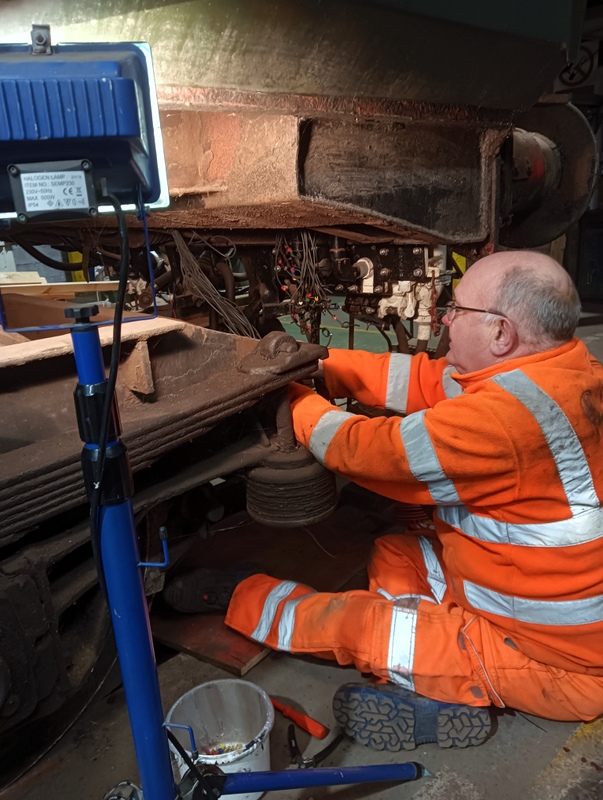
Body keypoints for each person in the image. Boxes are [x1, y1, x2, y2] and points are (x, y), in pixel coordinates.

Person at [164, 250, 603, 752]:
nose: (445, 317)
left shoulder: (504, 422)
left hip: (555, 661)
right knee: (394, 552)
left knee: (362, 625)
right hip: (524, 599)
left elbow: (363, 451)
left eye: (458, 309)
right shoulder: (561, 371)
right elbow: (415, 379)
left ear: (501, 334)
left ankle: (244, 596)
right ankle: (425, 673)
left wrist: (288, 395)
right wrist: (313, 361)